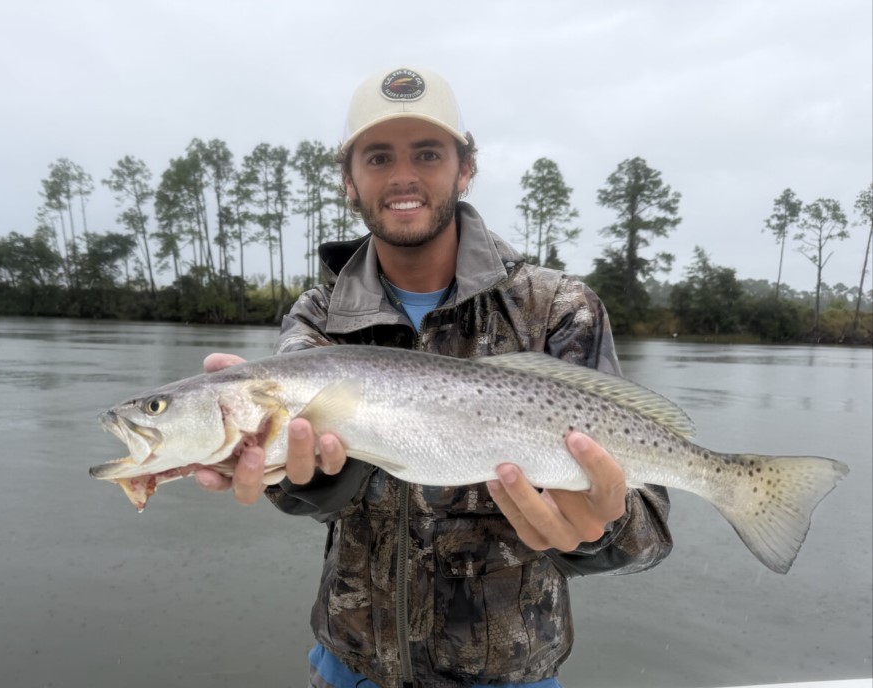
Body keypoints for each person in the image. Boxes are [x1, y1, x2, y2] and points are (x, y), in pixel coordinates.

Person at [197, 66, 672, 688]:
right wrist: (296, 477)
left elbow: (649, 527)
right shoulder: (319, 316)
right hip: (352, 669)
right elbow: (300, 489)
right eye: (377, 157)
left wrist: (594, 531)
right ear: (349, 180)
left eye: (427, 153)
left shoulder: (558, 309)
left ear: (464, 168)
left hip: (514, 678)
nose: (402, 176)